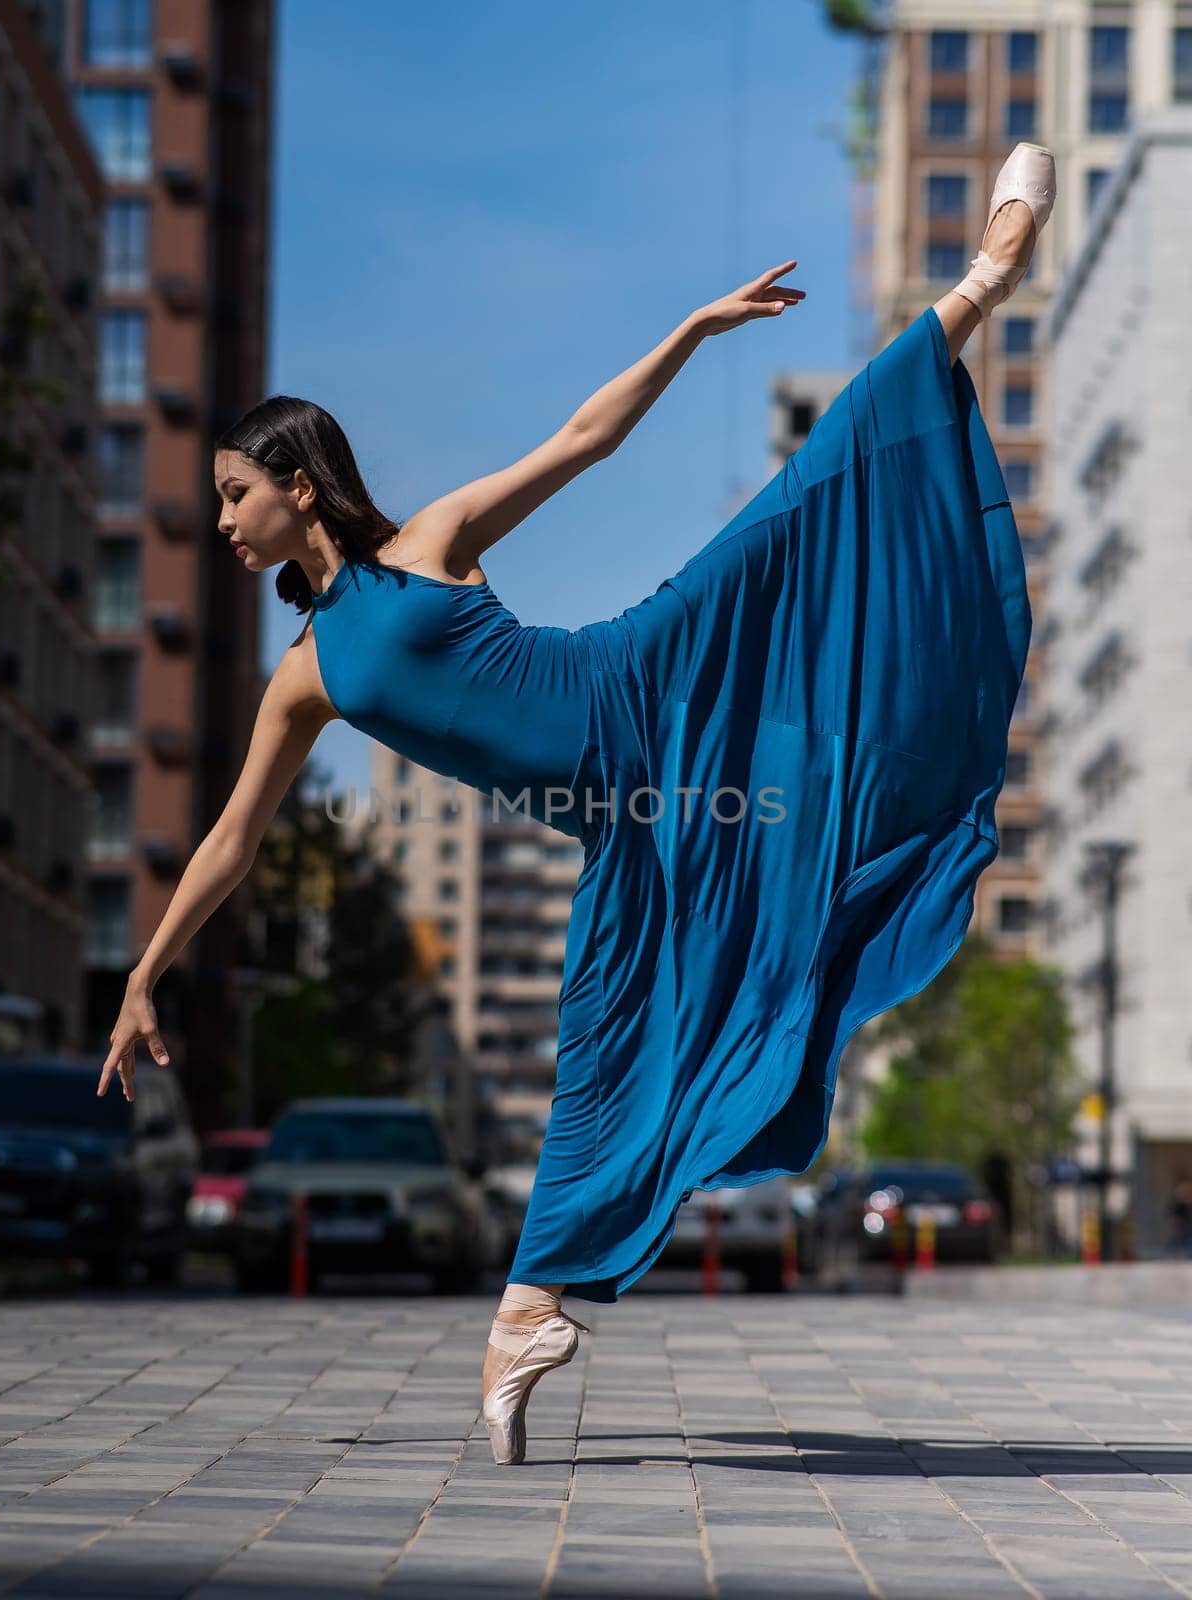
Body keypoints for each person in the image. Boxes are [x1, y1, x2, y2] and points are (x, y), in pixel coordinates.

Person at [97, 143, 1056, 1466]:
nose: (223, 523)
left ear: (297, 487)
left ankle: (984, 279)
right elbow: (230, 839)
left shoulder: (424, 547)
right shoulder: (302, 680)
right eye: (219, 504)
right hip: (633, 823)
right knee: (603, 1052)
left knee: (800, 513)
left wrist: (691, 329)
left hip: (643, 685)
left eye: (235, 495)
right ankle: (530, 1312)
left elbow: (582, 440)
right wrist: (148, 969)